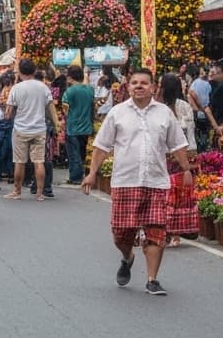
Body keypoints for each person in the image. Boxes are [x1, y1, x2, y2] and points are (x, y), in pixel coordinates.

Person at [82, 68, 194, 296]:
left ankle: (152, 279)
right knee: (121, 232)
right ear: (128, 86)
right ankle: (127, 257)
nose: (139, 86)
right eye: (134, 82)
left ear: (154, 87)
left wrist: (186, 169)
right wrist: (92, 173)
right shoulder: (117, 113)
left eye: (144, 82)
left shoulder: (164, 114)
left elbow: (177, 144)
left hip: (156, 182)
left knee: (156, 231)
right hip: (125, 181)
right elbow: (102, 146)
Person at [158, 73, 199, 247]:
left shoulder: (161, 108)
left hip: (173, 155)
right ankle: (172, 232)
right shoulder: (183, 106)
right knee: (177, 195)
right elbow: (189, 130)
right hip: (185, 153)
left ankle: (171, 231)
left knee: (171, 195)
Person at [4, 59, 54, 201]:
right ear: (34, 70)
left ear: (20, 72)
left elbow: (8, 113)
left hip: (21, 128)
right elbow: (50, 108)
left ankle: (17, 191)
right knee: (39, 161)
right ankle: (40, 193)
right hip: (39, 128)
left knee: (19, 162)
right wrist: (56, 125)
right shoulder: (43, 87)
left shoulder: (16, 88)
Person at [61, 66, 95, 187]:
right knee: (81, 152)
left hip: (73, 127)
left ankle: (75, 177)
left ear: (70, 78)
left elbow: (65, 110)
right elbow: (93, 107)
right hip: (86, 127)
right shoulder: (90, 90)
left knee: (73, 153)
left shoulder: (69, 92)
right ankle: (79, 175)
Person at [186, 64, 213, 152]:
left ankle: (200, 150)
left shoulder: (197, 82)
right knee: (204, 133)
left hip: (198, 112)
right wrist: (200, 106)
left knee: (199, 133)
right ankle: (203, 151)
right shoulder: (206, 84)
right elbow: (191, 93)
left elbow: (190, 92)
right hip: (203, 112)